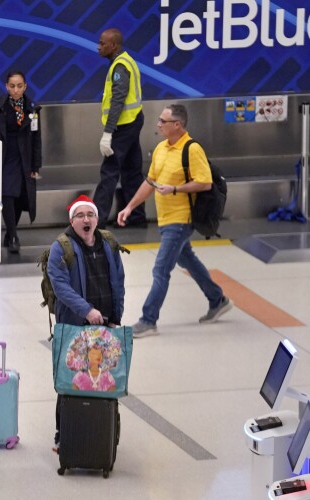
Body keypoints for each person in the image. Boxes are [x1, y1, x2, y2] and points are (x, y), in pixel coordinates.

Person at [117, 104, 234, 338]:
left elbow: (205, 183)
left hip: (182, 219)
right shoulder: (161, 148)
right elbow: (150, 182)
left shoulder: (192, 149)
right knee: (187, 259)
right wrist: (129, 207)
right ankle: (217, 299)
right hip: (165, 218)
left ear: (177, 125)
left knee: (161, 269)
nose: (158, 124)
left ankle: (148, 320)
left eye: (163, 121)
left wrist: (175, 189)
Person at [47, 194, 125, 450]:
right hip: (74, 325)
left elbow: (118, 281)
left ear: (97, 219)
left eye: (90, 215)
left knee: (104, 378)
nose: (86, 219)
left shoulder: (109, 243)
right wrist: (87, 310)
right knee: (70, 379)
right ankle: (63, 433)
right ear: (72, 220)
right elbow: (60, 286)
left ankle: (103, 432)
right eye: (80, 215)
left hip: (104, 325)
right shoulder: (62, 246)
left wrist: (116, 317)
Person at [93, 28, 146, 230]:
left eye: (102, 43)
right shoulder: (125, 61)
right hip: (133, 121)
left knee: (109, 171)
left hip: (123, 126)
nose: (99, 47)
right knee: (132, 171)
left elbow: (118, 100)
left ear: (113, 45)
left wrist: (108, 133)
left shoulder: (120, 67)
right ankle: (136, 216)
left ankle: (97, 221)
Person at [0, 70, 42, 254]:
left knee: (19, 196)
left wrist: (35, 166)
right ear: (6, 87)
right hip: (5, 155)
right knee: (7, 193)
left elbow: (36, 139)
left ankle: (10, 234)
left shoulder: (32, 109)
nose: (16, 90)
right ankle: (14, 235)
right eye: (12, 86)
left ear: (25, 86)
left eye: (19, 86)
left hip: (23, 156)